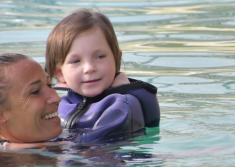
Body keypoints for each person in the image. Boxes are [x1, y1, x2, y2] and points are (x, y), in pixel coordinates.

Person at [45, 9, 160, 142]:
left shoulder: (123, 105)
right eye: (76, 61)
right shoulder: (61, 105)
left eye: (99, 56)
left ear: (116, 59)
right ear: (59, 73)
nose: (89, 68)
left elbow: (94, 147)